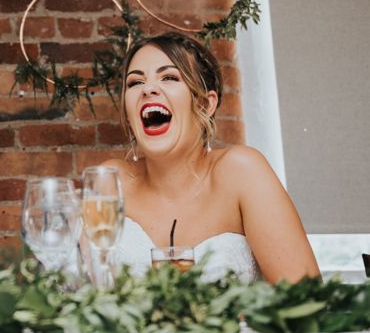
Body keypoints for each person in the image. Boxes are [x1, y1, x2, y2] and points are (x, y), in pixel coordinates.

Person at [104, 32, 319, 284]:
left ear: (205, 104)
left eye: (169, 77)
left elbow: (307, 302)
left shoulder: (242, 171)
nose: (148, 89)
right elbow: (76, 294)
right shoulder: (110, 181)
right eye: (135, 83)